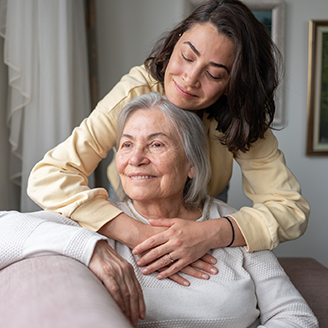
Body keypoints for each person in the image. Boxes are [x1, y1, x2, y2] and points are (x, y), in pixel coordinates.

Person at [0, 93, 319, 328]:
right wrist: (93, 249)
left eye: (156, 144)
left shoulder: (233, 226)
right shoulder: (99, 221)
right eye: (126, 144)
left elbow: (299, 321)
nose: (136, 159)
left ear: (192, 165)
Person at [29, 0, 309, 282]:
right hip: (128, 209)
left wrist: (208, 233)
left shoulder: (242, 118)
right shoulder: (134, 92)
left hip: (204, 213)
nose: (189, 79)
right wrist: (136, 232)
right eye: (187, 56)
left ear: (234, 83)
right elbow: (49, 176)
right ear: (175, 42)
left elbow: (290, 210)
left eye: (213, 74)